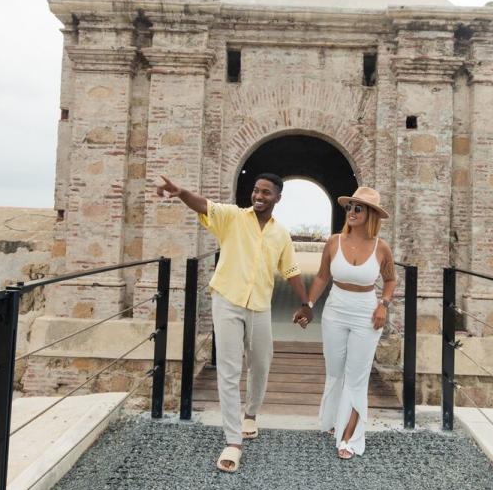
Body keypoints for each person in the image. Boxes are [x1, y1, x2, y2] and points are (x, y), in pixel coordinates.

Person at [156, 172, 310, 472]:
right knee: (229, 369)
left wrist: (306, 304)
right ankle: (232, 441)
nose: (259, 196)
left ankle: (251, 414)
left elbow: (290, 269)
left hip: (260, 305)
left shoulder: (281, 234)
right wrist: (182, 191)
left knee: (261, 362)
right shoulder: (233, 218)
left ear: (277, 197)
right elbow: (205, 206)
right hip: (227, 299)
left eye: (266, 192)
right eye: (256, 190)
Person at [294, 186, 395, 459]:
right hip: (335, 312)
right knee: (336, 372)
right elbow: (321, 277)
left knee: (356, 377)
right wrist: (308, 305)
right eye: (349, 207)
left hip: (365, 314)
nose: (351, 212)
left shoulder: (381, 248)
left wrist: (383, 305)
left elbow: (390, 280)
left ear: (371, 214)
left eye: (358, 208)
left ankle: (348, 437)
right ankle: (333, 422)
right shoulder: (334, 242)